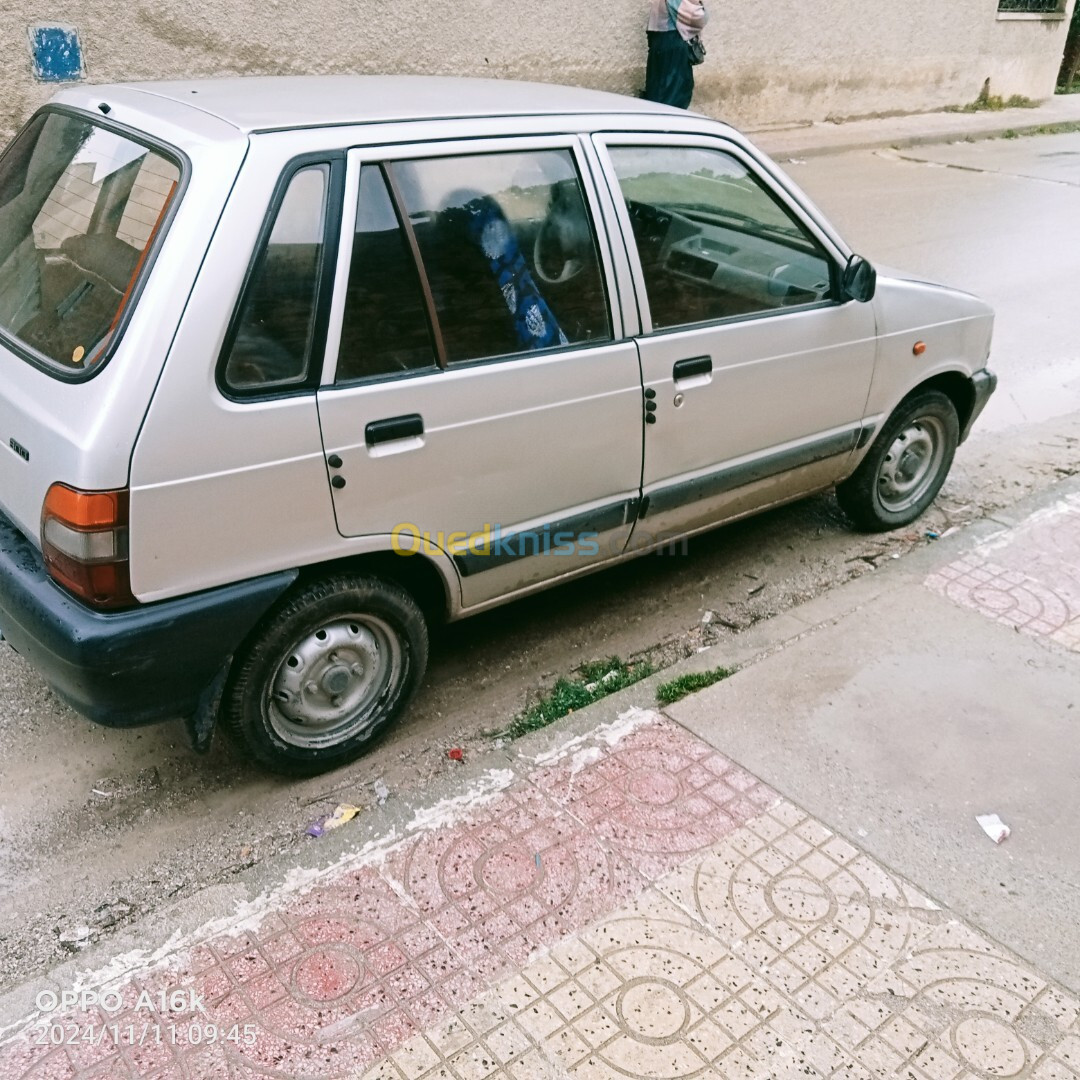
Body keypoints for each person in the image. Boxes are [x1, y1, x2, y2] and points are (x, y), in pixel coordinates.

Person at [643, 0, 708, 110]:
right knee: (673, 98)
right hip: (672, 47)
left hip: (662, 45)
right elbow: (699, 18)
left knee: (659, 96)